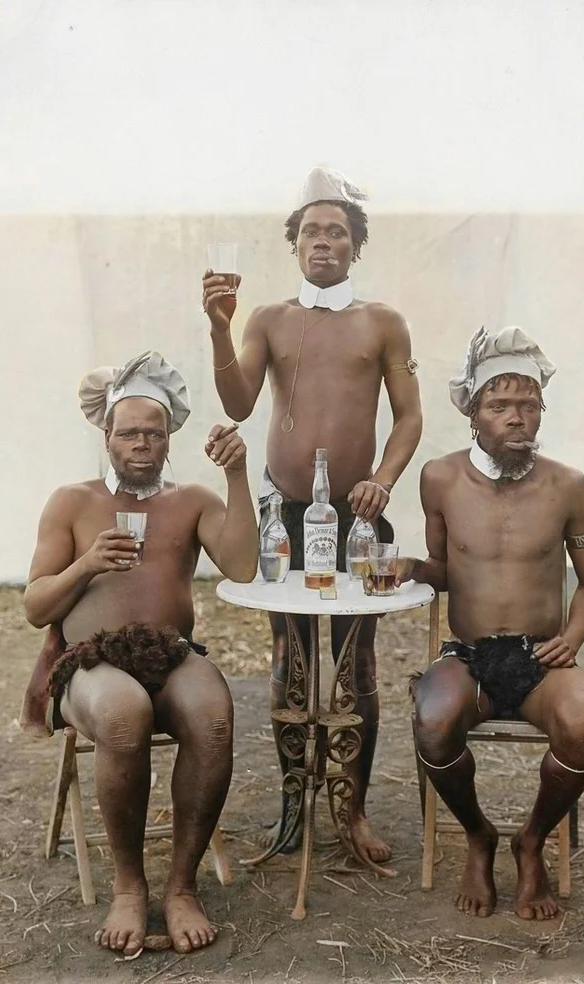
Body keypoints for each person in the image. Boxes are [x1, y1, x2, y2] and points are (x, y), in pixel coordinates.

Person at [202, 167, 423, 864]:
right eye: (311, 232)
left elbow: (409, 417)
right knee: (289, 660)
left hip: (359, 521)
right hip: (283, 520)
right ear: (293, 243)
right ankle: (294, 809)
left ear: (356, 245)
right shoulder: (268, 319)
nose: (323, 242)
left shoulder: (383, 322)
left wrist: (382, 481)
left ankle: (351, 812)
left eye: (337, 232)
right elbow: (238, 404)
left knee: (355, 664)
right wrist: (220, 329)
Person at [22, 351, 258, 956]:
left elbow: (242, 566)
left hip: (170, 653)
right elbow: (35, 607)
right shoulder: (71, 502)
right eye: (128, 433)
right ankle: (129, 885)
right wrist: (87, 564)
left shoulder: (192, 499)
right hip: (90, 662)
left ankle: (181, 886)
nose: (142, 444)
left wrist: (237, 475)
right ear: (107, 435)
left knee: (213, 715)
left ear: (169, 436)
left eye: (154, 433)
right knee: (124, 713)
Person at [402, 327, 584, 920]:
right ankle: (478, 835)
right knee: (433, 721)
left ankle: (531, 842)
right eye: (500, 405)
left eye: (529, 405)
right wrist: (410, 568)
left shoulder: (569, 486)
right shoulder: (439, 478)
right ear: (472, 412)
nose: (517, 417)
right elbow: (444, 570)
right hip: (470, 656)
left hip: (543, 657)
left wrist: (572, 639)